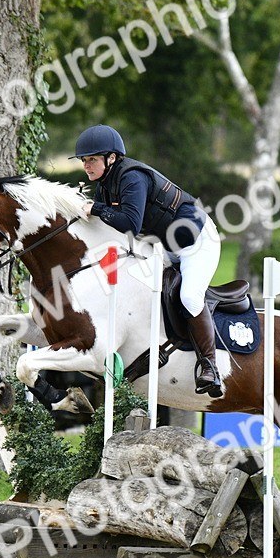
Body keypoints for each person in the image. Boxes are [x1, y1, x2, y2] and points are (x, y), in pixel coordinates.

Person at [71, 124, 224, 397]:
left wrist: (95, 209)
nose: (87, 166)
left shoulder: (132, 178)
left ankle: (209, 366)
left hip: (196, 241)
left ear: (112, 158)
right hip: (162, 245)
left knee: (190, 297)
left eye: (92, 159)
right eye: (84, 160)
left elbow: (130, 222)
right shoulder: (105, 186)